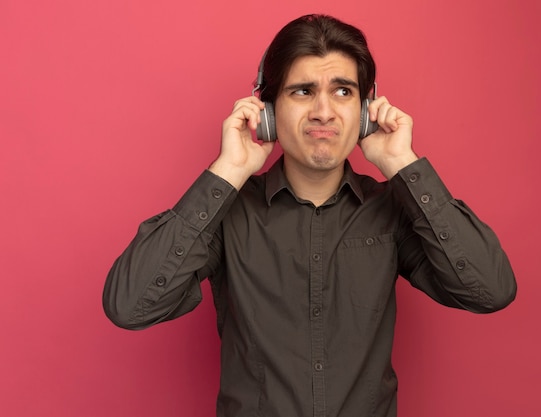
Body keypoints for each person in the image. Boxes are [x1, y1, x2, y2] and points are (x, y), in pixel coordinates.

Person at [103, 14, 516, 417]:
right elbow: (130, 305)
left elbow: (490, 290)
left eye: (343, 92)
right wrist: (227, 172)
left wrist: (403, 164)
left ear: (365, 110)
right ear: (266, 111)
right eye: (303, 91)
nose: (324, 111)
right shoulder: (228, 213)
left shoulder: (391, 208)